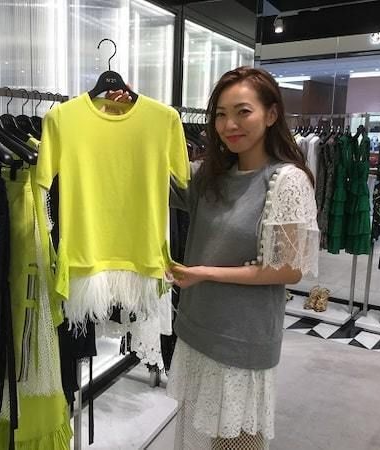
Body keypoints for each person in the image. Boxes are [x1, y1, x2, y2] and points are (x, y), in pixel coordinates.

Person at [107, 67, 319, 449]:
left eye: (243, 112)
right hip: (198, 329)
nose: (229, 125)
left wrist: (205, 272)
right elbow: (150, 177)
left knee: (236, 441)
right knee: (197, 437)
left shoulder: (287, 180)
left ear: (271, 114)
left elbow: (289, 269)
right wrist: (129, 119)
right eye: (221, 114)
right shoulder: (211, 177)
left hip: (243, 339)